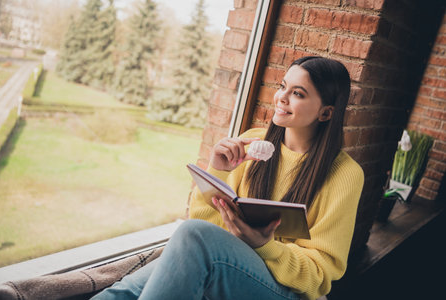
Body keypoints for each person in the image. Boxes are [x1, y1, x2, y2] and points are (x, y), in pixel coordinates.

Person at [91, 56, 364, 300]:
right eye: (282, 86)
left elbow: (320, 275)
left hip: (289, 291)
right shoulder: (251, 142)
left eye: (298, 93)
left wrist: (265, 246)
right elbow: (203, 226)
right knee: (124, 291)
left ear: (326, 112)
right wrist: (218, 170)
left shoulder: (345, 174)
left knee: (189, 238)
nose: (282, 97)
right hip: (232, 265)